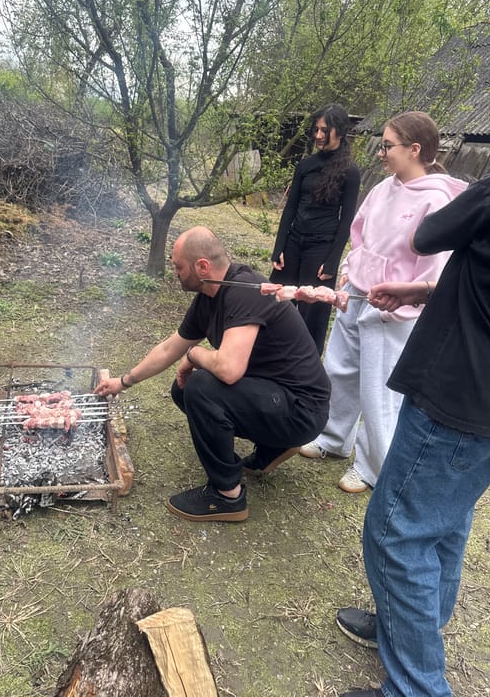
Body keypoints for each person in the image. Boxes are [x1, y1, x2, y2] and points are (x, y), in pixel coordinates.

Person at [335, 174, 490, 697]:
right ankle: (409, 626)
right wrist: (425, 289)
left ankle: (415, 687)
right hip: (481, 404)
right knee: (445, 521)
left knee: (396, 533)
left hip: (458, 393)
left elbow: (426, 236)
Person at [94, 225, 331, 522]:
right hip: (275, 396)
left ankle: (227, 496)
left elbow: (229, 370)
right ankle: (274, 445)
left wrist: (194, 355)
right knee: (184, 389)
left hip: (302, 408)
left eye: (179, 266)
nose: (175, 273)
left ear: (202, 266)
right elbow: (170, 347)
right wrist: (124, 381)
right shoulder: (207, 298)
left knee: (202, 386)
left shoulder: (244, 292)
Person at [299, 111, 467, 493]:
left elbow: (436, 265)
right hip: (357, 294)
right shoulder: (383, 188)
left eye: (388, 146)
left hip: (394, 309)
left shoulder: (437, 199)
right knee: (339, 370)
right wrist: (347, 269)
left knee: (378, 389)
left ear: (415, 149)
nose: (382, 152)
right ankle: (332, 437)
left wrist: (406, 302)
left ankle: (372, 465)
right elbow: (360, 235)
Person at [270, 104, 361, 355]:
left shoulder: (350, 172)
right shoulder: (305, 165)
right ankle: (273, 357)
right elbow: (290, 208)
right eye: (316, 129)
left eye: (325, 130)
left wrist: (332, 263)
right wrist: (279, 247)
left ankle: (306, 366)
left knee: (313, 313)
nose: (318, 135)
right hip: (294, 242)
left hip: (321, 248)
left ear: (340, 131)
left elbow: (347, 221)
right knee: (278, 301)